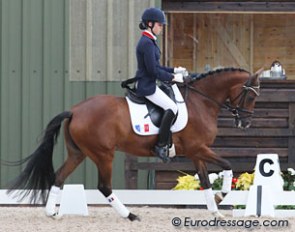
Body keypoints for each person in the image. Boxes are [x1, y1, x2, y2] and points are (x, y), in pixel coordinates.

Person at [135, 7, 187, 162]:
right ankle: (161, 145)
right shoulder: (147, 43)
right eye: (159, 25)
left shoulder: (149, 41)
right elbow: (152, 71)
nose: (161, 27)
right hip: (147, 85)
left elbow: (157, 66)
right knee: (172, 107)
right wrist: (172, 77)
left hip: (149, 82)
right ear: (150, 24)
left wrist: (174, 69)